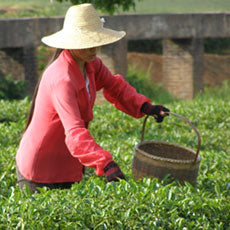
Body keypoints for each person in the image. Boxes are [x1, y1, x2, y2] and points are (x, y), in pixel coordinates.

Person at [16, 3, 170, 193]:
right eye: (87, 42)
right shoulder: (62, 79)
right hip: (40, 170)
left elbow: (115, 86)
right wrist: (105, 163)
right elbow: (74, 132)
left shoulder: (91, 64)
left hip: (67, 164)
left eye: (95, 40)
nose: (94, 47)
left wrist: (146, 107)